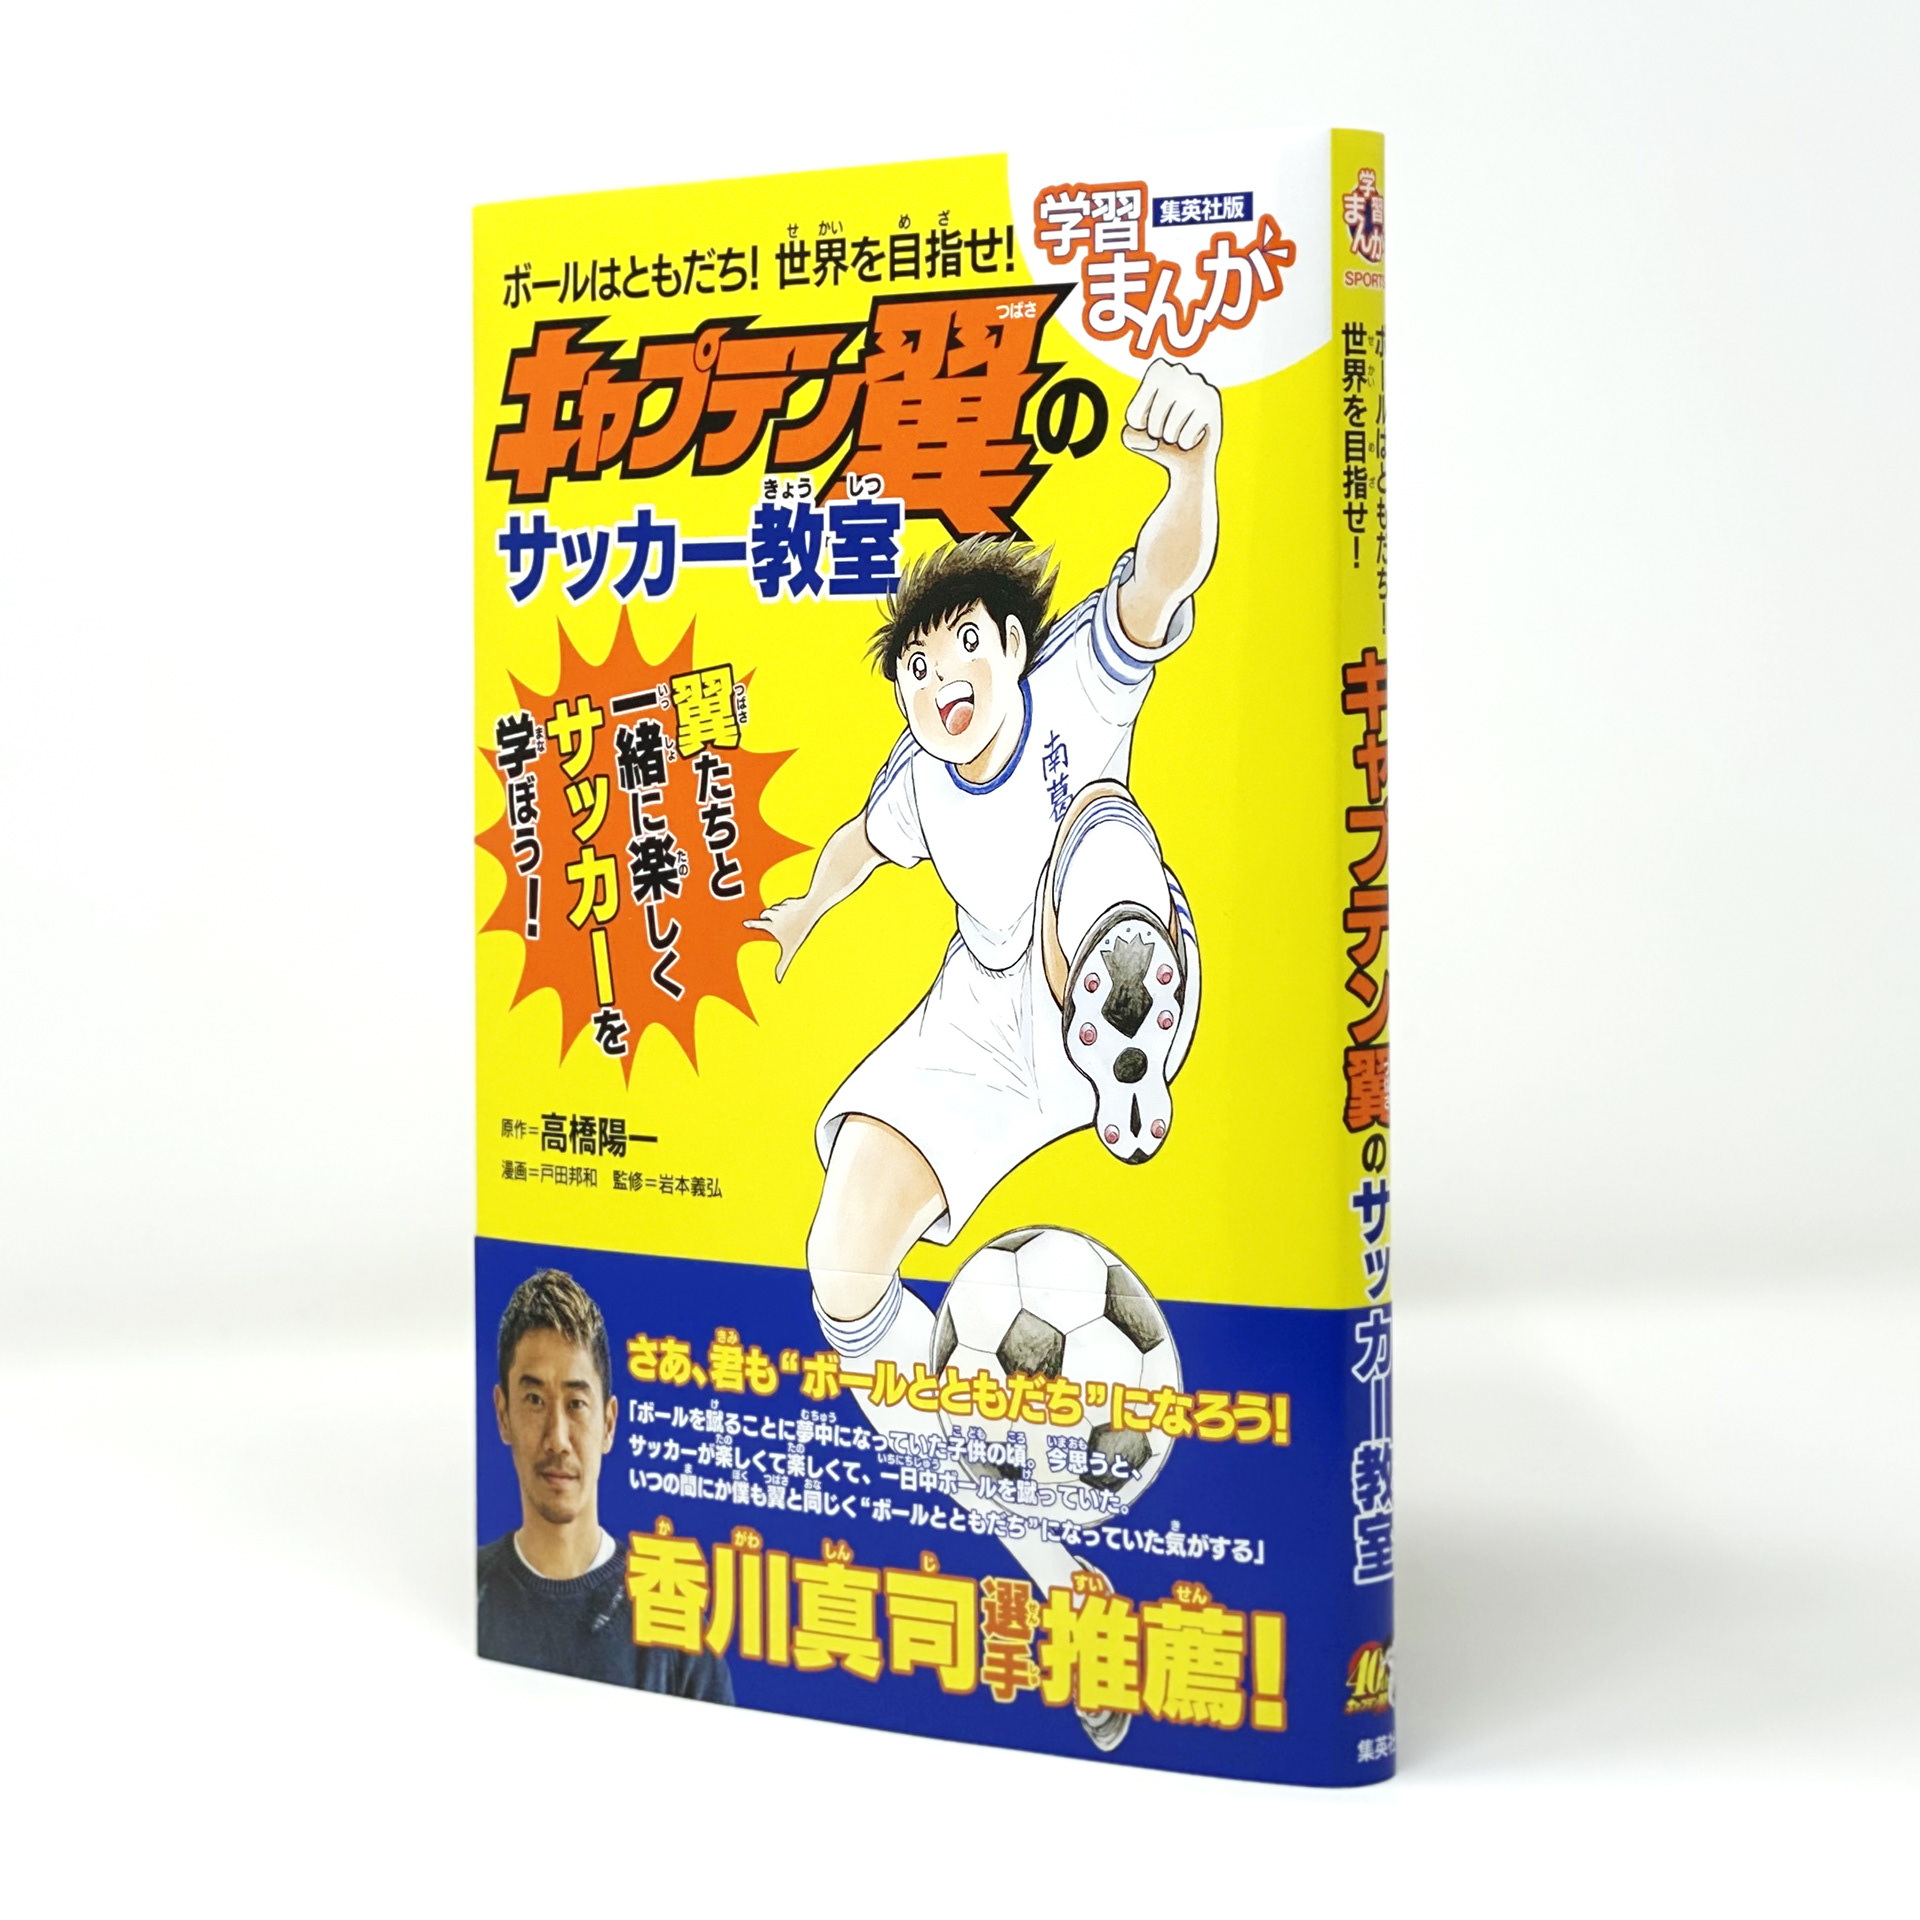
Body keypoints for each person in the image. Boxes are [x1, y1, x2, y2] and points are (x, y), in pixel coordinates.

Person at [746, 358, 1222, 1748]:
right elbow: (858, 842)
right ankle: (1053, 1564)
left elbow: (1162, 573)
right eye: (914, 665)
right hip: (985, 1010)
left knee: (1098, 833)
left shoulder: (1080, 675)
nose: (939, 675)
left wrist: (1194, 470)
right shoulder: (919, 784)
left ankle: (1134, 1009)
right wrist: (805, 909)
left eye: (962, 644)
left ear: (1013, 647)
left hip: (1096, 953)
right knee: (842, 1277)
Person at [479, 1268, 732, 1703]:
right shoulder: (472, 1593)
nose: (557, 1439)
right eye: (534, 1400)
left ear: (609, 1424)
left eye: (576, 1404)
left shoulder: (673, 1619)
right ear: (503, 1415)